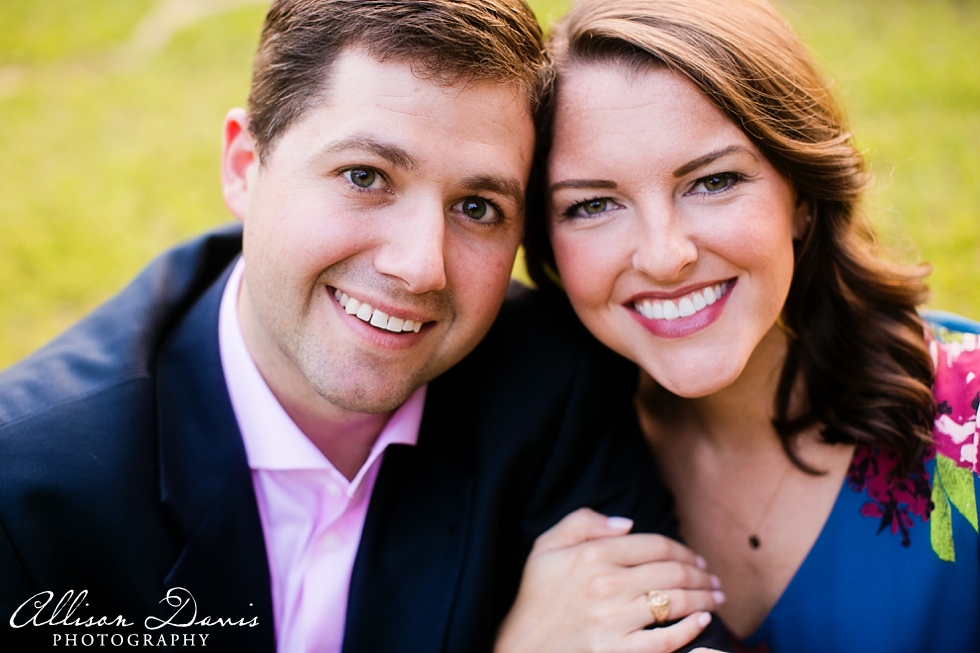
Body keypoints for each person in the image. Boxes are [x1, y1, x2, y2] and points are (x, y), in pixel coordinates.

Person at [0, 1, 732, 651]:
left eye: (477, 207)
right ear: (245, 165)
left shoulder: (552, 389)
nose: (420, 267)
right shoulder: (31, 492)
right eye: (365, 176)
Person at [513, 0, 980, 651]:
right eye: (593, 204)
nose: (664, 256)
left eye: (712, 182)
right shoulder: (536, 449)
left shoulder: (969, 419)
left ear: (802, 196)